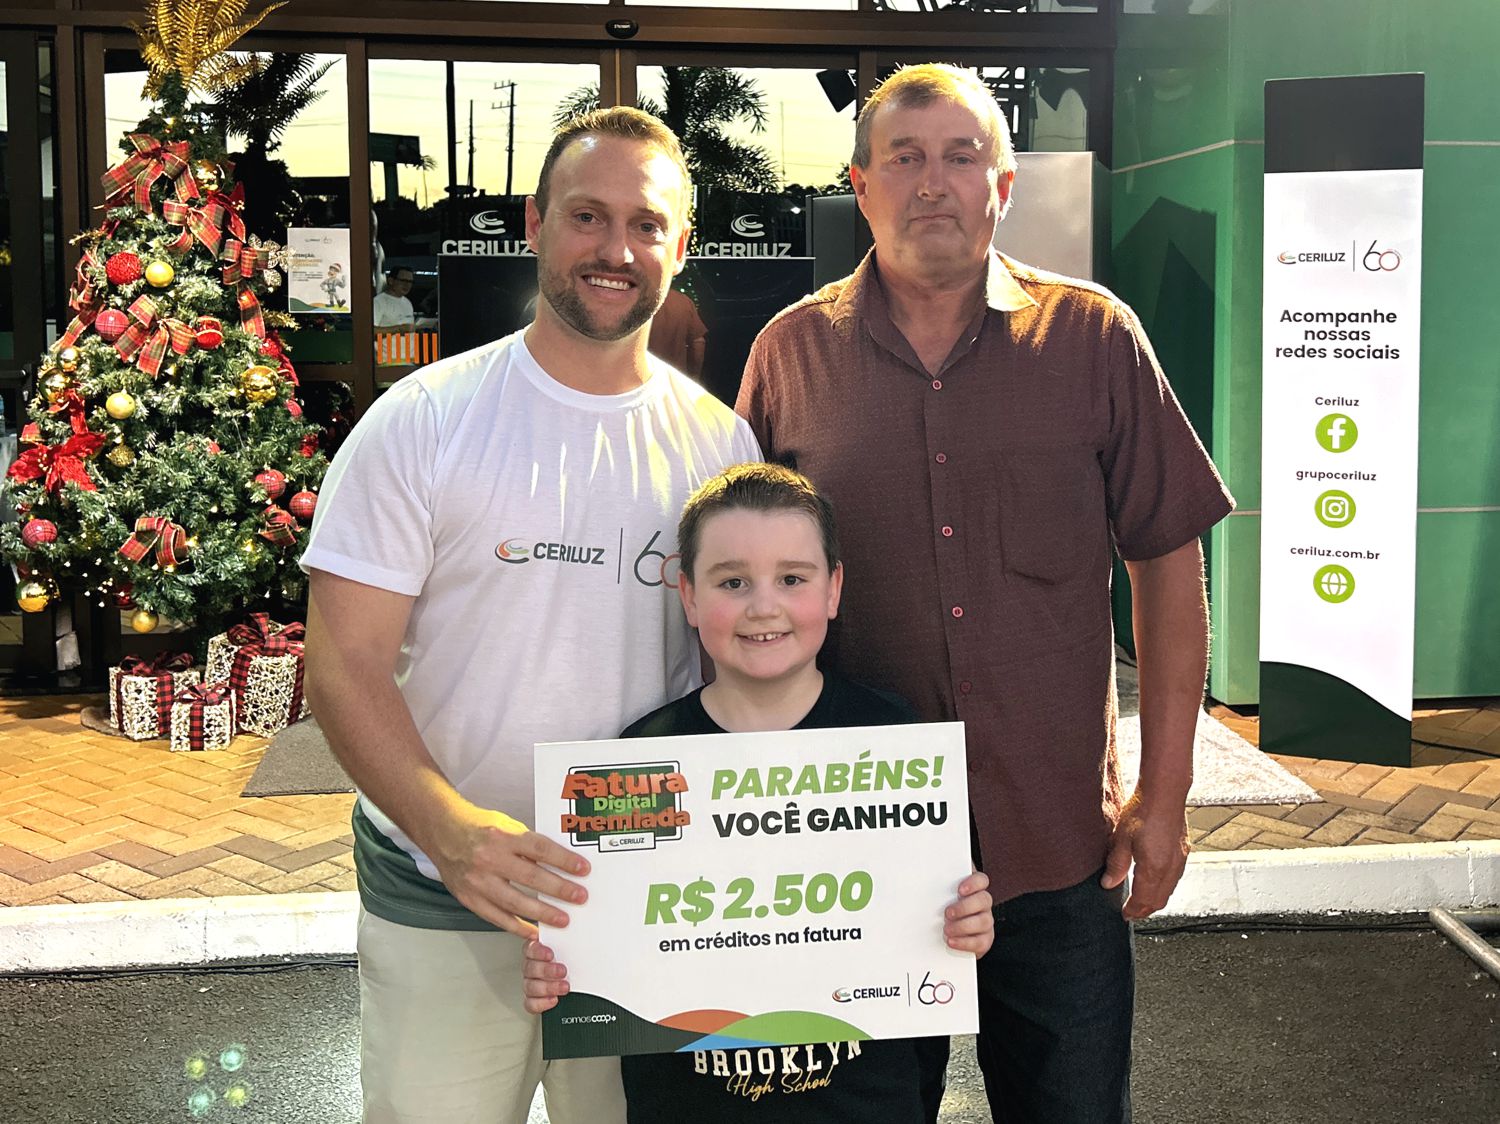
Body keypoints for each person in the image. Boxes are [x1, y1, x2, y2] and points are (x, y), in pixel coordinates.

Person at [734, 64, 1235, 1124]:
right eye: (905, 158)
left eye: (962, 156)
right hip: (854, 859)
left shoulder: (1094, 339)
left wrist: (1165, 797)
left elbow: (1167, 562)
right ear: (860, 185)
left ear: (1003, 183)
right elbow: (739, 600)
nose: (934, 182)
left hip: (1058, 850)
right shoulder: (791, 355)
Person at [301, 107, 762, 1124]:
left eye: (646, 224)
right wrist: (451, 832)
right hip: (443, 894)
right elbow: (342, 667)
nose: (615, 249)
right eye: (587, 216)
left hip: (644, 901)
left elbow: (747, 670)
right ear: (535, 223)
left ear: (680, 246)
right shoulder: (423, 421)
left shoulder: (721, 446)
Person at [523, 461, 993, 1122]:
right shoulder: (636, 760)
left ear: (833, 589)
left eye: (792, 579)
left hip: (867, 1104)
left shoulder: (896, 739)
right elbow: (600, 942)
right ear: (688, 596)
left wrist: (967, 925)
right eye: (732, 582)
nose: (763, 606)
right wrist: (565, 969)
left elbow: (945, 909)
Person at [647, 285, 708, 377]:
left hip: (640, 378)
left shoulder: (632, 300)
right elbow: (698, 343)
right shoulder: (682, 301)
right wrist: (694, 376)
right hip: (676, 377)